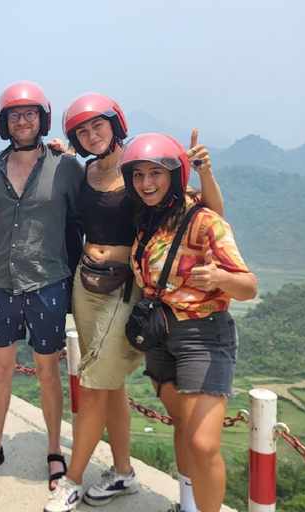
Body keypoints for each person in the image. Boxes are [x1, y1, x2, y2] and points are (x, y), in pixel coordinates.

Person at [44, 94, 225, 512]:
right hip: (85, 285)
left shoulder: (141, 168)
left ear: (116, 124)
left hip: (127, 290)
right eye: (82, 131)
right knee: (111, 385)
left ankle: (71, 481)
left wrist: (204, 172)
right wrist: (60, 151)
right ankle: (122, 472)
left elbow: (209, 213)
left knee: (91, 387)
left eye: (98, 126)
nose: (91, 135)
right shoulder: (84, 169)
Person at [120, 133, 257, 512]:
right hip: (161, 335)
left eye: (156, 174)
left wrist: (219, 279)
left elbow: (247, 287)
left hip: (203, 334)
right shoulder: (147, 219)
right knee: (180, 424)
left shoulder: (203, 219)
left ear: (175, 175)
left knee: (203, 443)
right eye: (138, 175)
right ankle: (187, 505)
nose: (146, 183)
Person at [0, 81, 84, 490]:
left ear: (43, 118)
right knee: (0, 371)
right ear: (4, 122)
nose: (22, 121)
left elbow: (90, 212)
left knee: (46, 372)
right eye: (15, 115)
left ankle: (54, 448)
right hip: (1, 282)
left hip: (48, 282)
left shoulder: (66, 166)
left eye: (30, 113)